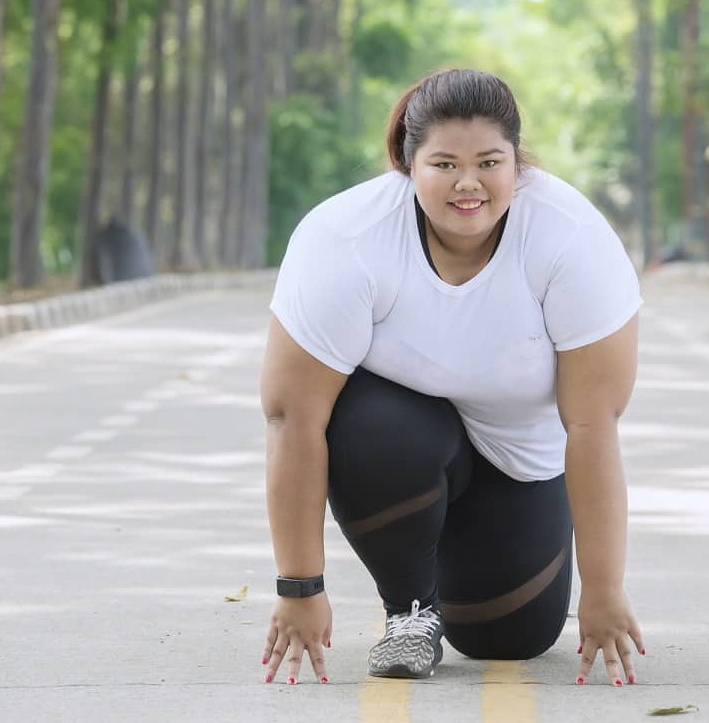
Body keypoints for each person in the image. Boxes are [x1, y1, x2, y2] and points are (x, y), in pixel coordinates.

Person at [259, 68, 645, 687]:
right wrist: (300, 587)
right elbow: (292, 417)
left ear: (517, 165)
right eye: (443, 165)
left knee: (510, 639)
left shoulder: (570, 239)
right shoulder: (346, 240)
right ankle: (409, 610)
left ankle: (458, 563)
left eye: (490, 161)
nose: (468, 183)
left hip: (518, 460)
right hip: (398, 444)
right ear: (408, 166)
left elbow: (591, 423)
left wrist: (604, 589)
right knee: (364, 418)